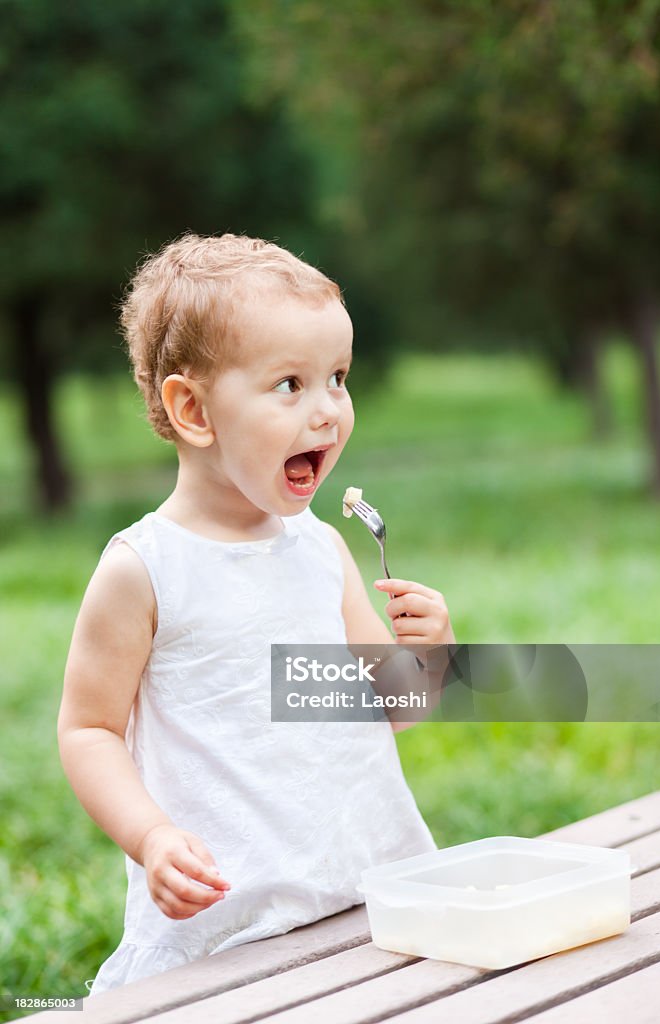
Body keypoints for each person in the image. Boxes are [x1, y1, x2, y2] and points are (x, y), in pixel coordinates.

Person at [58, 232, 457, 994]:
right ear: (193, 410)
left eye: (337, 378)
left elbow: (397, 708)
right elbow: (88, 729)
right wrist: (151, 838)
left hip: (365, 900)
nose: (328, 413)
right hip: (226, 934)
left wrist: (431, 652)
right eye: (290, 385)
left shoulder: (321, 550)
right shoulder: (144, 570)